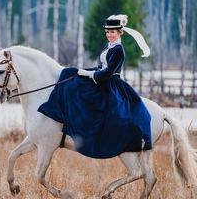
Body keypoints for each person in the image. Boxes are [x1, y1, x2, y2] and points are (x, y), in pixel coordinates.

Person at [38, 14, 152, 159]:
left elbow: (109, 71)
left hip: (110, 83)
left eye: (112, 32)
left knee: (83, 91)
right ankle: (59, 112)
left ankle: (80, 125)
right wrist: (84, 71)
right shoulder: (108, 46)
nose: (109, 35)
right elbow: (101, 66)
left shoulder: (118, 50)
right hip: (102, 77)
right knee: (68, 72)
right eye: (108, 32)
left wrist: (90, 75)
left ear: (119, 32)